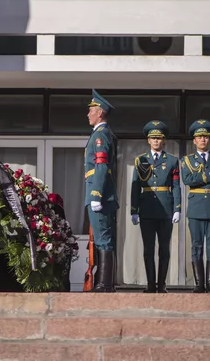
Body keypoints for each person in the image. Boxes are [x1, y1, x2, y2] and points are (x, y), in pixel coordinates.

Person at [130, 120, 181, 293]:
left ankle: (162, 284)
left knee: (164, 249)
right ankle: (151, 284)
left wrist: (177, 209)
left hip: (166, 210)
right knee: (148, 249)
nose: (156, 141)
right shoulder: (140, 160)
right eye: (153, 138)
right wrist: (134, 210)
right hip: (146, 209)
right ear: (148, 140)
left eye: (159, 138)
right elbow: (135, 186)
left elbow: (176, 186)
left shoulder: (172, 160)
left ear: (164, 140)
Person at [180, 120, 210, 293]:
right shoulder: (187, 160)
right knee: (196, 245)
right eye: (199, 137)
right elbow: (188, 180)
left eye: (205, 137)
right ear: (194, 141)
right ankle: (199, 284)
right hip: (196, 206)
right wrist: (208, 176)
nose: (203, 139)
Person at [84, 89, 118, 292]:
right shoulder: (99, 134)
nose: (88, 114)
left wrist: (96, 194)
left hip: (100, 195)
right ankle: (103, 282)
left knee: (103, 239)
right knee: (100, 238)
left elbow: (102, 166)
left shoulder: (101, 135)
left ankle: (105, 284)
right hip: (98, 193)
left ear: (100, 112)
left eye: (91, 110)